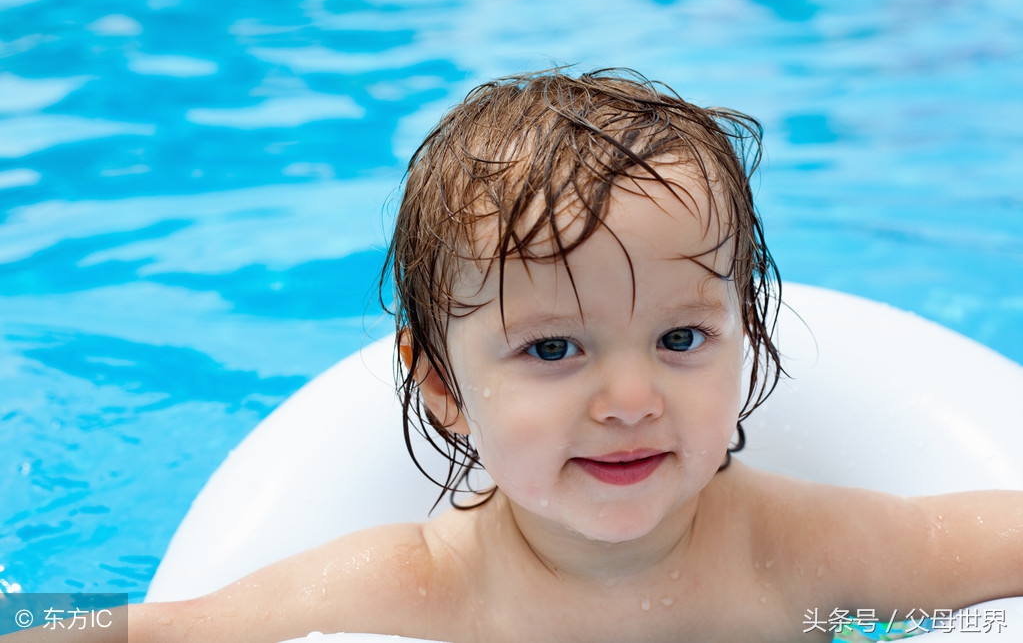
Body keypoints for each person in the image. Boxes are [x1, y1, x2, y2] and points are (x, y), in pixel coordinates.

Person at [13, 69, 1023, 642]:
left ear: (743, 338)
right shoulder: (420, 587)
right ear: (445, 387)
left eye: (680, 339)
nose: (630, 398)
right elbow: (159, 630)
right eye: (553, 348)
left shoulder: (799, 548)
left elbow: (979, 536)